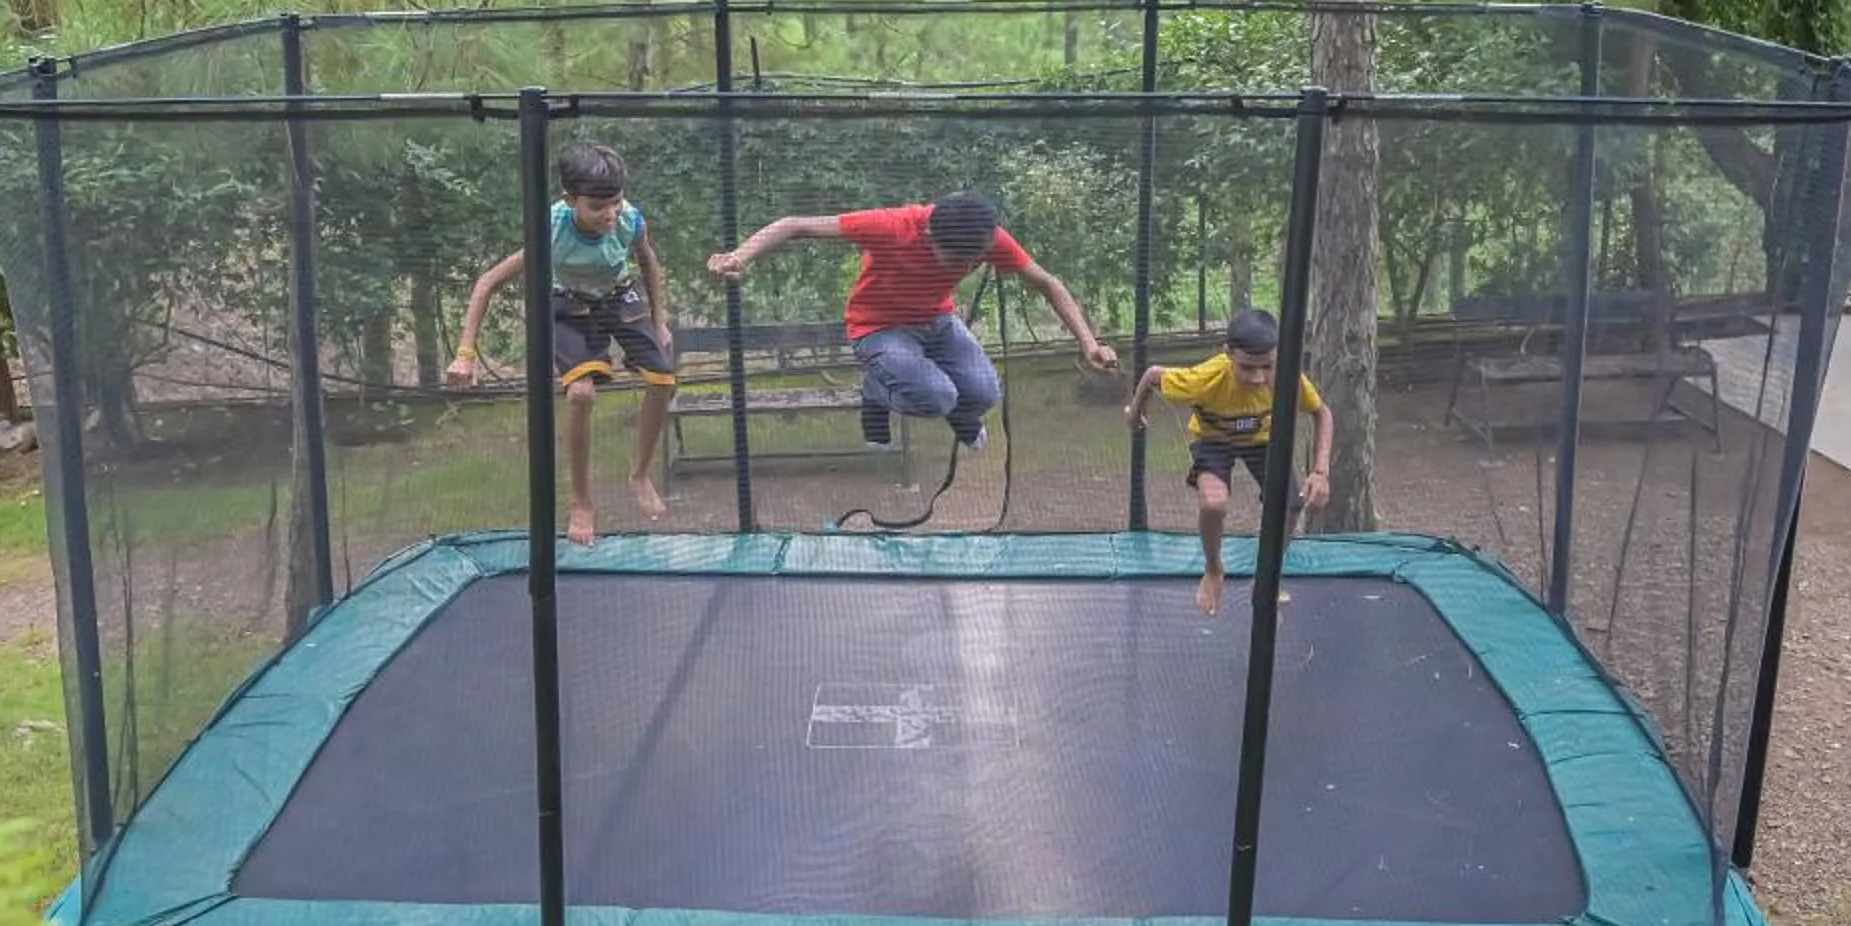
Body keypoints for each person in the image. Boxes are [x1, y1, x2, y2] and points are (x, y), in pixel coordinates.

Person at [706, 190, 1116, 448]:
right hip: (878, 329)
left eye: (977, 258)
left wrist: (1089, 343)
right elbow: (795, 225)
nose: (973, 264)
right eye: (962, 260)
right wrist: (739, 256)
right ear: (930, 238)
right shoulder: (892, 227)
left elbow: (1048, 283)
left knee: (985, 395)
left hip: (937, 322)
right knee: (936, 396)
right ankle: (874, 394)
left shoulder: (986, 237)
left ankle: (957, 416)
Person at [446, 140, 676, 545]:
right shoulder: (550, 228)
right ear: (570, 200)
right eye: (597, 207)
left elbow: (649, 260)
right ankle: (582, 503)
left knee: (663, 379)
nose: (609, 215)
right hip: (568, 303)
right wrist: (465, 355)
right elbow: (487, 283)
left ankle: (639, 474)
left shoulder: (630, 219)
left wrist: (660, 320)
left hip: (619, 295)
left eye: (615, 203)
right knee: (581, 394)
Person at [1127, 307, 1334, 615]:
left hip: (1263, 441)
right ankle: (1213, 569)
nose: (1257, 377)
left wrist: (1320, 471)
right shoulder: (1204, 379)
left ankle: (1267, 574)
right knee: (1214, 503)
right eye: (1247, 368)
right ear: (1228, 353)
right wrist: (1135, 412)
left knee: (1291, 504)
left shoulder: (1287, 375)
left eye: (1267, 366)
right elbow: (1153, 375)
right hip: (1214, 439)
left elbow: (1321, 413)